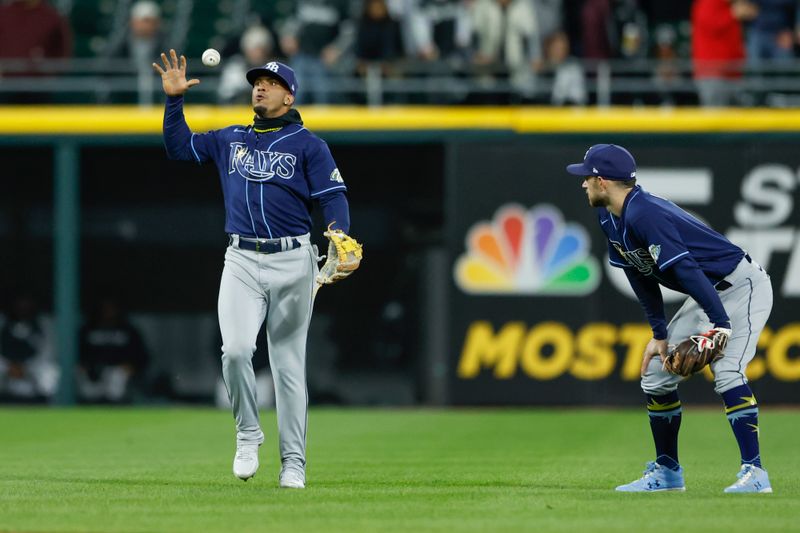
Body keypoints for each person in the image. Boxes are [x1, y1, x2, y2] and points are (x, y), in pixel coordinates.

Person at [152, 49, 359, 488]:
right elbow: (178, 148)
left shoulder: (309, 145)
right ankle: (248, 432)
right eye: (257, 82)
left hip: (293, 260)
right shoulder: (230, 138)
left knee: (287, 367)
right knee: (236, 351)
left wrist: (339, 231)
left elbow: (332, 196)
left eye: (271, 83)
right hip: (241, 259)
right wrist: (173, 101)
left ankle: (293, 464)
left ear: (289, 96)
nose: (260, 86)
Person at [565, 144, 773, 493]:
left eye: (586, 178)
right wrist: (659, 334)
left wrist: (719, 324)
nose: (582, 184)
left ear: (602, 182)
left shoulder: (645, 214)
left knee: (726, 371)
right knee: (656, 374)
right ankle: (667, 472)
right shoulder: (608, 216)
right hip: (709, 292)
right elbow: (639, 274)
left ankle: (755, 474)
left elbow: (688, 270)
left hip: (741, 286)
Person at [77, 297, 150, 403]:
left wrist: (131, 367)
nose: (108, 311)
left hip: (117, 372)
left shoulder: (128, 330)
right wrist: (82, 365)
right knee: (89, 394)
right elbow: (76, 352)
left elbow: (142, 356)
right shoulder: (87, 329)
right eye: (105, 308)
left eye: (111, 308)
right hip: (92, 372)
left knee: (116, 387)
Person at [0, 292, 58, 401]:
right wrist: (8, 366)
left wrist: (26, 368)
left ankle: (50, 410)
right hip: (5, 366)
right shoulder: (3, 321)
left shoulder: (43, 322)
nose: (23, 309)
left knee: (51, 373)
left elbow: (49, 350)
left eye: (26, 305)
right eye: (20, 306)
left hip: (34, 366)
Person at [218, 25, 275, 105]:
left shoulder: (274, 69)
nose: (257, 53)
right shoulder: (235, 67)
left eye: (261, 49)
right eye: (253, 49)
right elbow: (226, 94)